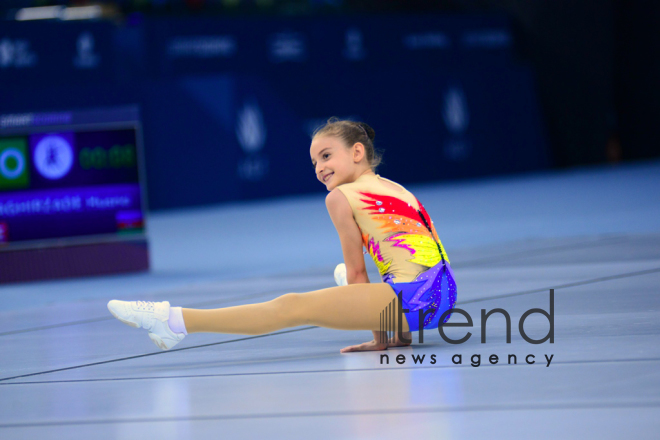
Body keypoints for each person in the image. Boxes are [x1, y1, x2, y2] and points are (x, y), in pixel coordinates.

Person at [107, 118, 457, 353]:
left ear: (357, 152)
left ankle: (174, 321)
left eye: (326, 156)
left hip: (411, 300)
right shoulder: (394, 187)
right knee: (379, 267)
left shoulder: (340, 197)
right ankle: (390, 316)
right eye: (314, 162)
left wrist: (380, 340)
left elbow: (357, 272)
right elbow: (422, 253)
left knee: (293, 306)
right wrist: (403, 336)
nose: (319, 168)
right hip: (442, 293)